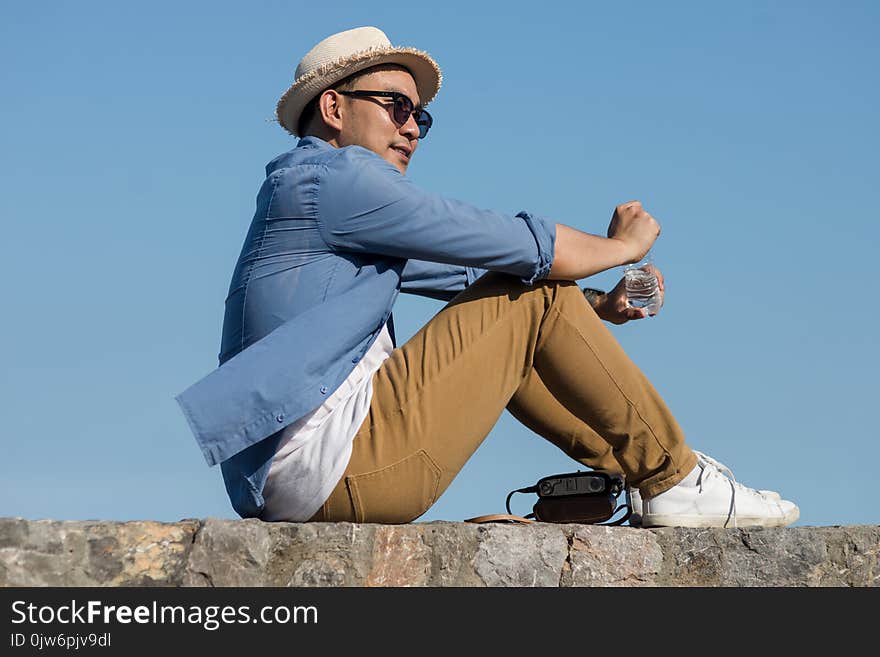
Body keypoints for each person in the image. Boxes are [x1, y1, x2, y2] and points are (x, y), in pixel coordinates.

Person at [176, 26, 798, 529]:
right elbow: (520, 246)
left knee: (527, 300)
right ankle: (672, 477)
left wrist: (596, 307)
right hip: (336, 468)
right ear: (334, 107)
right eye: (395, 106)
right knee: (531, 291)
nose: (412, 128)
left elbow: (478, 277)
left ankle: (645, 477)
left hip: (311, 473)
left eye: (420, 116)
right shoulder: (332, 181)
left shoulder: (316, 200)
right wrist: (620, 245)